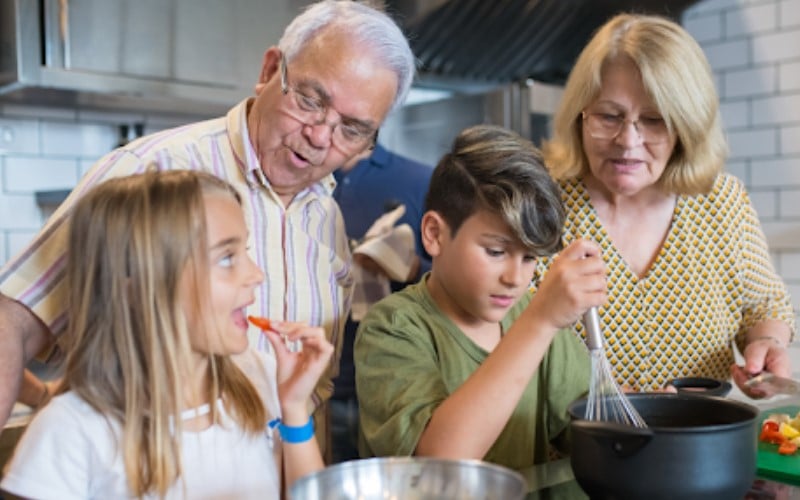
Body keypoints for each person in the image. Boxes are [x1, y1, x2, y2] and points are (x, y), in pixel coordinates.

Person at [0, 0, 416, 451]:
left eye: (351, 129)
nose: (320, 136)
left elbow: (307, 397)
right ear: (271, 68)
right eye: (311, 100)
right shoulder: (152, 172)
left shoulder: (325, 212)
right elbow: (13, 322)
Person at [0, 170, 332, 498]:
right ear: (139, 288)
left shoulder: (260, 376)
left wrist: (294, 407)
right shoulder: (70, 432)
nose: (256, 275)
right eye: (227, 257)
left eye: (245, 251)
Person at [537, 13, 795, 396]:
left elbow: (764, 307)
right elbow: (495, 340)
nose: (628, 140)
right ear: (580, 114)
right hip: (574, 450)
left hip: (699, 448)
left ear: (687, 127)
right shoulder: (539, 206)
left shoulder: (722, 203)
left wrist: (767, 345)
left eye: (655, 121)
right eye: (609, 116)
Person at [354, 125, 607, 470]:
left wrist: (652, 418)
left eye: (530, 258)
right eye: (495, 251)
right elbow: (440, 461)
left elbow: (591, 431)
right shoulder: (393, 327)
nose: (515, 278)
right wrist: (540, 321)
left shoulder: (532, 319)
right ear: (434, 234)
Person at [330, 143, 433, 463]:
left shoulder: (420, 180)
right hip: (306, 387)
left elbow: (457, 276)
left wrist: (413, 267)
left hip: (391, 386)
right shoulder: (302, 175)